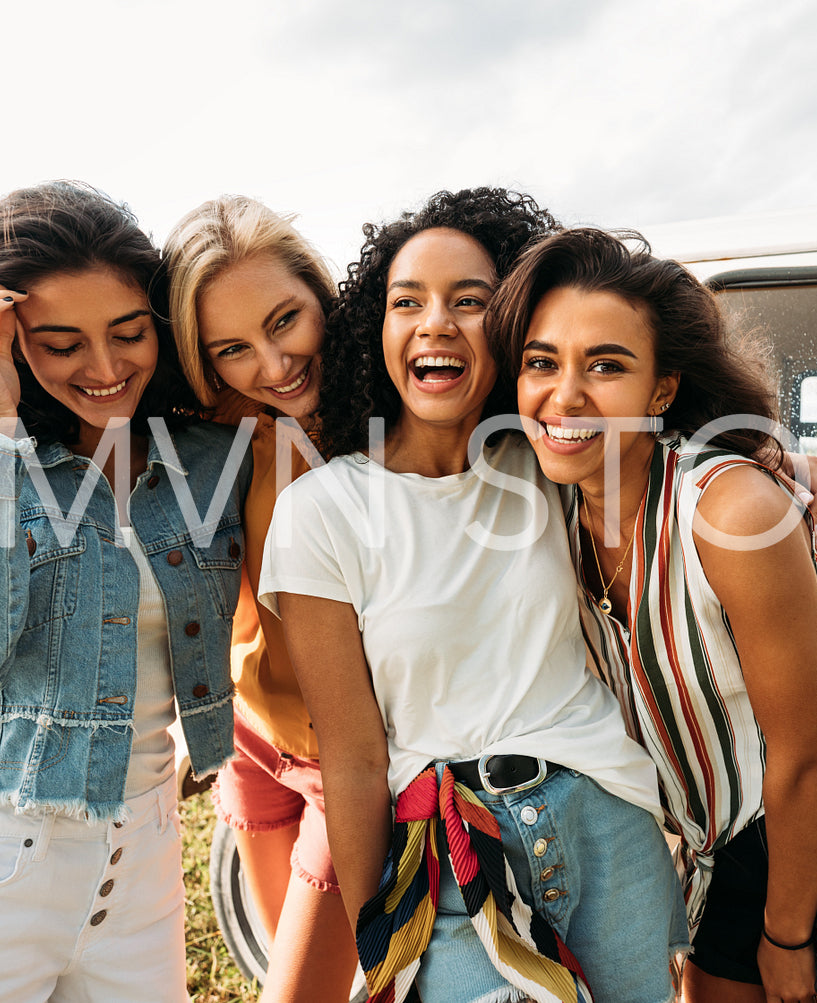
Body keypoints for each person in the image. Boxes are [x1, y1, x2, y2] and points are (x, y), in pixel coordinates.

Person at [489, 227, 817, 1003]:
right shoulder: (543, 502)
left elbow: (805, 759)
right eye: (541, 362)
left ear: (662, 390)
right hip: (732, 829)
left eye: (606, 365)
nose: (566, 394)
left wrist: (786, 937)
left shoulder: (730, 508)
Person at [259, 188, 690, 1003]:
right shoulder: (322, 509)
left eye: (469, 301)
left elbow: (676, 432)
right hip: (448, 854)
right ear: (376, 331)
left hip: (607, 826)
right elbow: (351, 757)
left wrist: (785, 462)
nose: (434, 323)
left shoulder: (554, 460)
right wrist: (377, 941)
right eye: (406, 301)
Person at [0, 181, 251, 1002]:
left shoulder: (206, 456)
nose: (105, 369)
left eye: (128, 333)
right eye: (61, 344)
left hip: (143, 860)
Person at [162, 196, 359, 1002]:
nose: (273, 365)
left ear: (321, 293)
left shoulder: (398, 411)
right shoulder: (221, 417)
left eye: (286, 320)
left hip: (349, 755)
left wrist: (764, 449)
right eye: (233, 348)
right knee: (279, 960)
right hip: (249, 735)